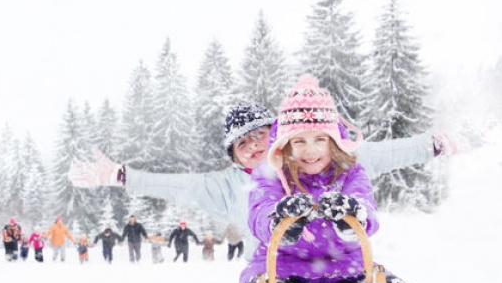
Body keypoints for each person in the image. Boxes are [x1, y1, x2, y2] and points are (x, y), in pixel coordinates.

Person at [205, 75, 462, 283]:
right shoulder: (270, 175)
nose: (309, 151)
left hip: (347, 277)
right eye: (298, 141)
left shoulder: (351, 173)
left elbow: (368, 210)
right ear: (284, 145)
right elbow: (258, 212)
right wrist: (278, 221)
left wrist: (353, 215)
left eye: (319, 140)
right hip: (283, 280)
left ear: (334, 141)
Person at [67, 106, 456, 264]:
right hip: (269, 277)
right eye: (242, 143)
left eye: (259, 136)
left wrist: (430, 145)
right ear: (233, 155)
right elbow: (177, 185)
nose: (253, 146)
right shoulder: (225, 186)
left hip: (335, 267)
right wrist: (123, 176)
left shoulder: (312, 159)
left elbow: (375, 155)